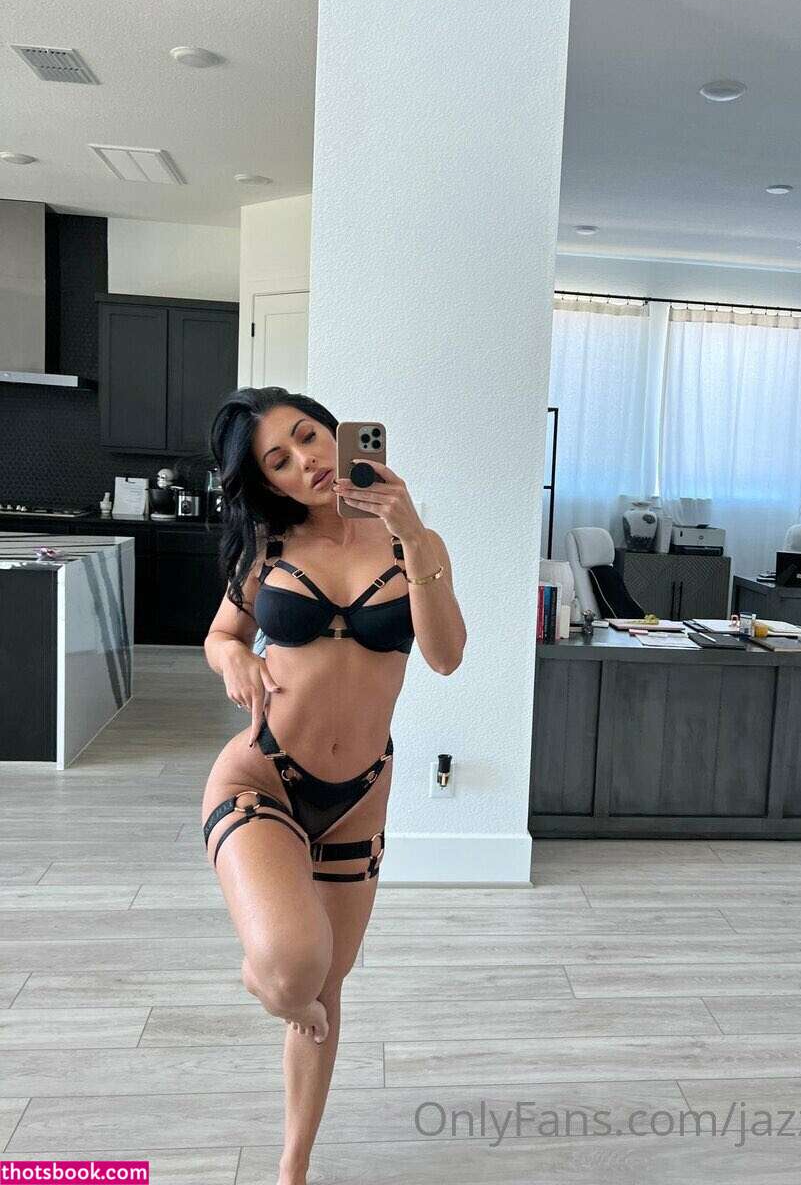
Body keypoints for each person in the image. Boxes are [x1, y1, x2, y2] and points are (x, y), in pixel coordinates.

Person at [200, 386, 466, 1185]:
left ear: (335, 431)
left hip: (359, 796)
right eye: (278, 461)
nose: (306, 461)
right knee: (293, 973)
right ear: (268, 484)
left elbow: (446, 655)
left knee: (326, 985)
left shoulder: (414, 545)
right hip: (261, 777)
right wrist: (234, 655)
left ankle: (293, 1168)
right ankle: (269, 973)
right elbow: (221, 634)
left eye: (308, 436)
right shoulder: (268, 550)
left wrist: (410, 531)